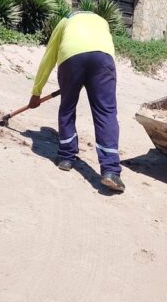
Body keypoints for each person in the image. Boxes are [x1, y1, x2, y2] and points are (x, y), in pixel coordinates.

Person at [28, 11, 125, 192]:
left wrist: (36, 92)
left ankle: (66, 157)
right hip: (103, 59)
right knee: (106, 111)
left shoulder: (66, 20)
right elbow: (104, 49)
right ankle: (111, 170)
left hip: (71, 57)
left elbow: (48, 57)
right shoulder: (102, 22)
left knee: (67, 107)